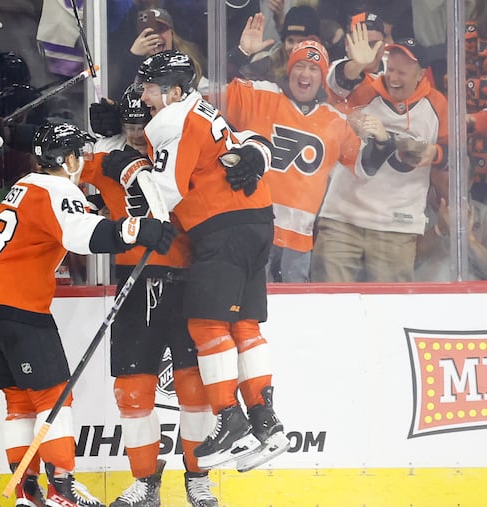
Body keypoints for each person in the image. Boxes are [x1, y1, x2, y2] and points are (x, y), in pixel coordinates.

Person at [0, 119, 177, 507]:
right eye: (80, 154)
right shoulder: (58, 188)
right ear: (68, 157)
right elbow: (83, 235)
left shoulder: (22, 187)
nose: (82, 161)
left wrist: (118, 222)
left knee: (20, 402)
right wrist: (139, 230)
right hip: (16, 308)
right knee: (55, 398)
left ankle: (29, 492)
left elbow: (73, 221)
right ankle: (61, 489)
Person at [129, 49, 289, 472]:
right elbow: (249, 140)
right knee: (243, 324)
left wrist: (129, 168)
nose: (143, 96)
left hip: (223, 227)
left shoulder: (169, 120)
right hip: (258, 220)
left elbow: (165, 193)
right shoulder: (200, 107)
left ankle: (228, 417)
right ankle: (266, 422)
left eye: (148, 88)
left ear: (173, 90)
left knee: (205, 323)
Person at [84, 85, 219, 507]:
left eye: (146, 123)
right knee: (132, 388)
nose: (141, 133)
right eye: (131, 125)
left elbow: (226, 138)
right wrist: (89, 138)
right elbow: (61, 164)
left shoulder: (183, 151)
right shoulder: (108, 159)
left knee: (194, 389)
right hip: (134, 278)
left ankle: (197, 479)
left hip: (188, 279)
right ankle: (145, 484)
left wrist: (255, 149)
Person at [225, 30, 372, 282]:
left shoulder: (334, 120)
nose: (305, 74)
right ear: (289, 69)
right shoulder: (263, 95)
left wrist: (381, 139)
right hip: (254, 230)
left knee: (294, 313)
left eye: (314, 69)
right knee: (250, 306)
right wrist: (240, 55)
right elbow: (213, 88)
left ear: (321, 77)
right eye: (300, 66)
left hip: (299, 241)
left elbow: (365, 166)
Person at [311, 34, 449, 282]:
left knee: (391, 312)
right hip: (342, 220)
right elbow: (333, 86)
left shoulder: (437, 105)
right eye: (391, 70)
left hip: (396, 228)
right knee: (328, 305)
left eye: (402, 73)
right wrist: (356, 65)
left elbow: (456, 154)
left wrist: (435, 153)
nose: (393, 78)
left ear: (420, 75)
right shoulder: (365, 89)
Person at [231, 4, 321, 82]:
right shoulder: (265, 68)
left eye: (301, 41)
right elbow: (228, 86)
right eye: (290, 40)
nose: (294, 47)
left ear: (316, 42)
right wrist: (242, 52)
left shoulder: (329, 73)